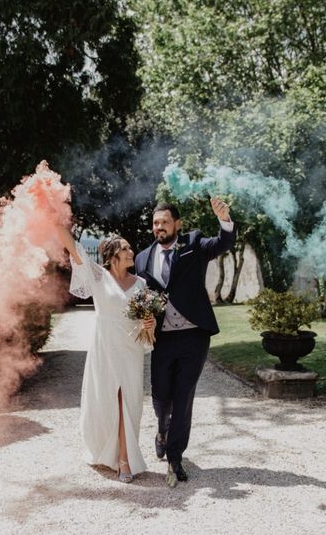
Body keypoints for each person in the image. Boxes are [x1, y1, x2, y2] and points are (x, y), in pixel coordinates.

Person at [134, 199, 235, 488]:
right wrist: (144, 320)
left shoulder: (194, 242)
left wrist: (224, 221)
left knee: (183, 397)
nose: (159, 227)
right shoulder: (142, 258)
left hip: (194, 336)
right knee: (160, 395)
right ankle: (162, 429)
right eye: (155, 223)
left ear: (177, 224)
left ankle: (175, 457)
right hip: (163, 338)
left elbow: (222, 243)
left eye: (165, 222)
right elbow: (142, 298)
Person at [55, 202, 156, 484]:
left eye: (130, 248)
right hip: (105, 345)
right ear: (112, 256)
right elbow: (73, 248)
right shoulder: (99, 276)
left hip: (131, 349)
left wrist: (150, 324)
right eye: (125, 249)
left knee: (131, 400)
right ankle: (121, 460)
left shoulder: (141, 284)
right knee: (111, 399)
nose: (131, 252)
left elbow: (147, 320)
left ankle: (124, 454)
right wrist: (53, 217)